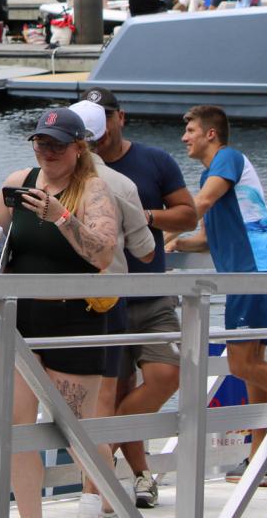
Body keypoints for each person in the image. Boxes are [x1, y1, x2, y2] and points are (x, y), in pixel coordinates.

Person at [0, 107, 117, 518]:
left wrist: (60, 217)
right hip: (21, 319)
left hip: (74, 318)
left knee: (77, 429)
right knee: (18, 428)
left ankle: (106, 504)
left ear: (78, 147)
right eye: (41, 142)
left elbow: (103, 252)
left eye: (57, 145)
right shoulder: (19, 183)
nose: (47, 152)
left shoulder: (91, 189)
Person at [79, 87, 198, 509]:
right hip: (104, 301)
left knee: (168, 374)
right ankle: (141, 475)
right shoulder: (74, 168)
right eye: (91, 117)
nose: (99, 126)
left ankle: (101, 447)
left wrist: (140, 214)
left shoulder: (154, 161)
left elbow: (188, 213)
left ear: (120, 117)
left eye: (105, 116)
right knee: (118, 386)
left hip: (151, 293)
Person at [170, 106, 267, 488]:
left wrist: (159, 223)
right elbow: (205, 237)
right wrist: (172, 244)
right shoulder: (214, 174)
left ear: (210, 134)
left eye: (190, 130)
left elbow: (199, 207)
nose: (184, 137)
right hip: (253, 271)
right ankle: (260, 462)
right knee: (254, 363)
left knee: (242, 364)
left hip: (252, 271)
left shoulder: (227, 158)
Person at [69, 100, 155, 518]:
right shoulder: (119, 184)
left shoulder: (36, 179)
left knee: (43, 404)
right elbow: (144, 248)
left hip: (49, 305)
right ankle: (95, 494)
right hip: (105, 305)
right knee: (102, 404)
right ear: (101, 133)